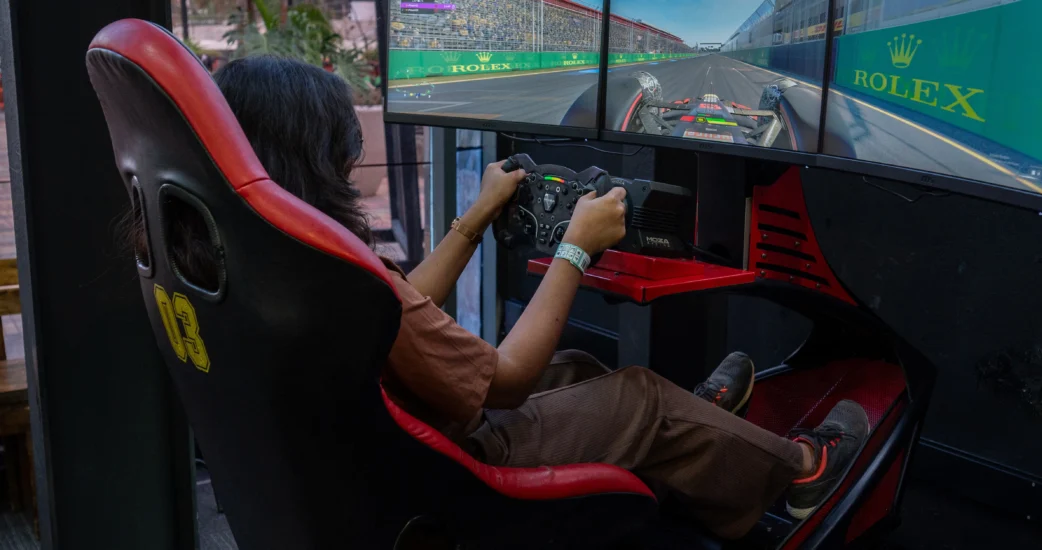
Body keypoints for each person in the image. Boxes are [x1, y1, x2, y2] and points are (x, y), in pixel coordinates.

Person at [134, 56, 870, 540]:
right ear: (305, 158)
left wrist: (473, 219)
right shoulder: (326, 267)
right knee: (639, 396)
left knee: (581, 368)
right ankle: (799, 472)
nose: (350, 166)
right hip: (445, 476)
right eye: (338, 150)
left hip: (367, 462)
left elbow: (388, 313)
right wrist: (578, 246)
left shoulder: (260, 257)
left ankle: (704, 427)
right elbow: (504, 379)